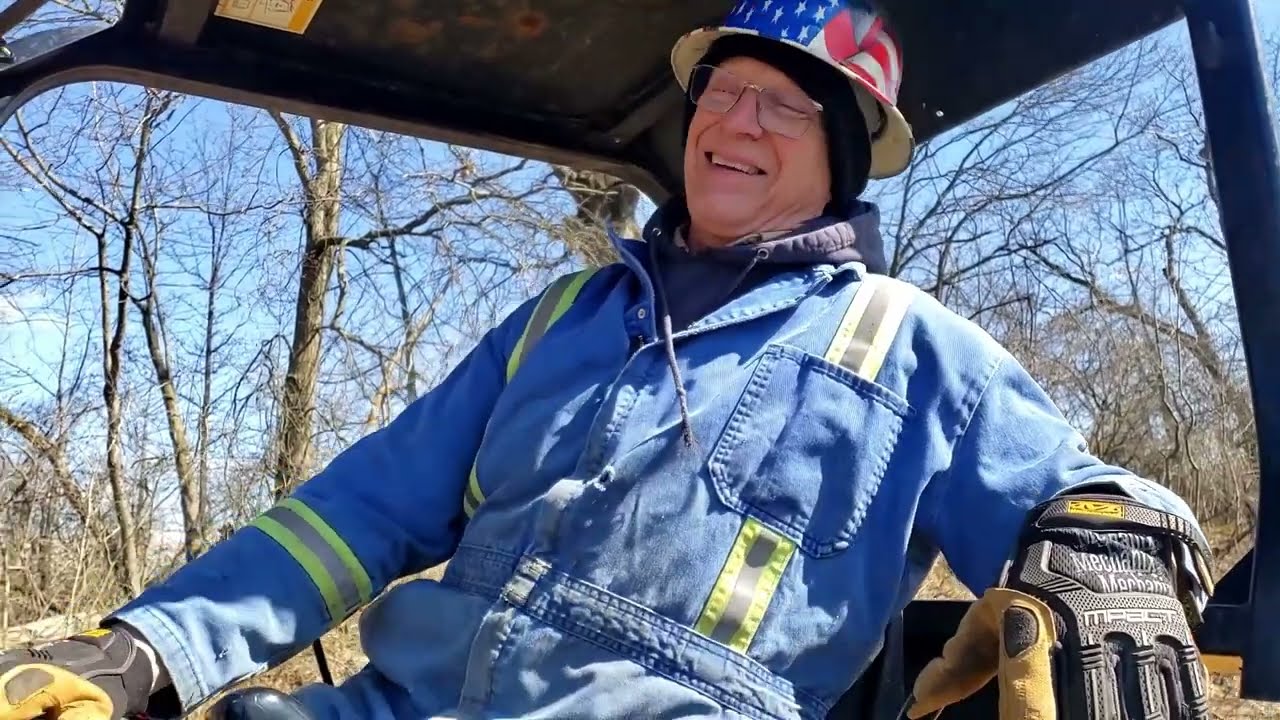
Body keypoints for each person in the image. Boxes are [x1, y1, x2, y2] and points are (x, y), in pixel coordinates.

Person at [0, 1, 1215, 719]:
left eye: (783, 108)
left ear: (841, 155)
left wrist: (1104, 547)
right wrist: (147, 648)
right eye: (722, 95)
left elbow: (1090, 501)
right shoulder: (561, 320)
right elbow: (352, 517)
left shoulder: (902, 345)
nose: (735, 122)